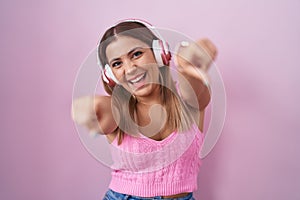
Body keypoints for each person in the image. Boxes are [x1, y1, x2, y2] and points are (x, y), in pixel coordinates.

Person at [72, 19, 217, 200]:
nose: (130, 69)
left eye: (136, 54)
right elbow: (102, 109)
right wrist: (87, 108)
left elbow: (194, 92)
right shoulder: (117, 108)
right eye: (117, 64)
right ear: (109, 75)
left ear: (159, 53)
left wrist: (189, 68)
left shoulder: (188, 99)